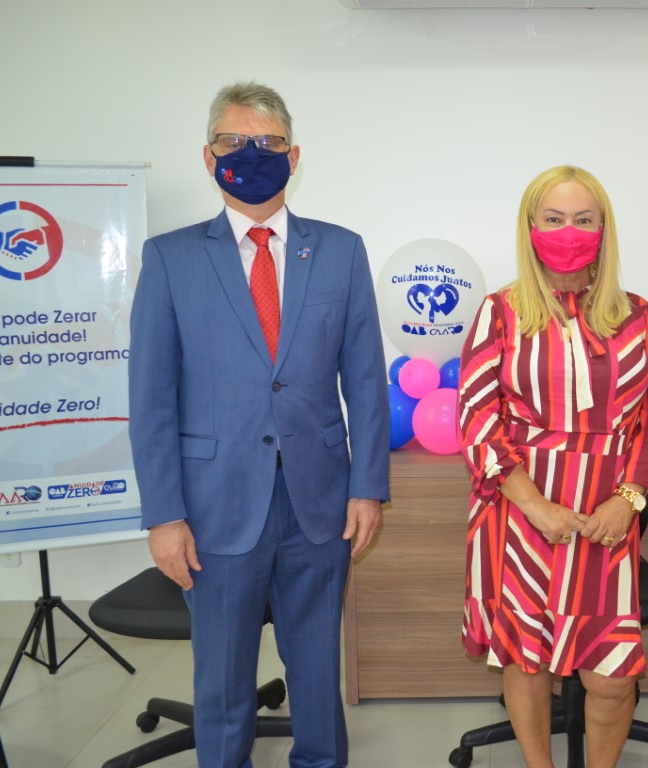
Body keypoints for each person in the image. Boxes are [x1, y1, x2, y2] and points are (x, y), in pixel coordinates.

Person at [128, 81, 390, 768]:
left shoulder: (341, 251)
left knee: (316, 671)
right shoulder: (170, 259)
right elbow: (152, 400)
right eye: (234, 141)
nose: (252, 153)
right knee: (221, 679)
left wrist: (368, 488)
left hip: (319, 501)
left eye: (269, 142)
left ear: (294, 156)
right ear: (208, 156)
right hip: (214, 506)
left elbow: (366, 381)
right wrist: (164, 515)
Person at [457, 165, 648, 768]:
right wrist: (535, 507)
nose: (568, 231)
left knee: (611, 677)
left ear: (604, 229)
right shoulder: (500, 312)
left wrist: (630, 499)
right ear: (530, 227)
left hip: (607, 518)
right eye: (553, 219)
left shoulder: (638, 316)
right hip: (518, 515)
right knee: (526, 661)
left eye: (583, 219)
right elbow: (476, 416)